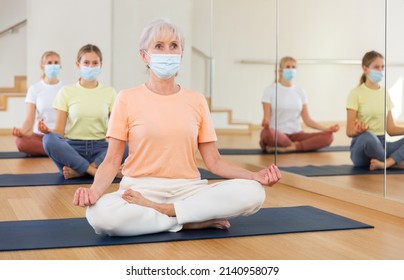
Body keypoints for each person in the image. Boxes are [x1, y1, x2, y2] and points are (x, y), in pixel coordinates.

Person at [73, 19, 281, 237]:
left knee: (254, 193)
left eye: (174, 46)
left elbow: (214, 162)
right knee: (99, 216)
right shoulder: (126, 98)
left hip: (188, 190)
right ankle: (189, 220)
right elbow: (112, 160)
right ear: (144, 55)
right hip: (140, 190)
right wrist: (94, 192)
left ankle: (167, 212)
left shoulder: (197, 100)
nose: (167, 51)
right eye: (159, 46)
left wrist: (254, 176)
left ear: (181, 53)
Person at [39, 44, 125, 179]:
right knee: (48, 139)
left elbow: (115, 130)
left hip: (100, 149)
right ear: (78, 64)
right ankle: (95, 172)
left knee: (127, 140)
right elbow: (60, 132)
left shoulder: (110, 93)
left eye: (95, 63)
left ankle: (81, 170)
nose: (90, 66)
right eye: (86, 62)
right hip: (73, 150)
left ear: (100, 65)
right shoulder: (66, 92)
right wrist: (48, 131)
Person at [259, 56, 340, 153]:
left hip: (296, 134)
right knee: (267, 133)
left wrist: (327, 129)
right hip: (278, 134)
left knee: (328, 137)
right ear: (280, 70)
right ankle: (293, 146)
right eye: (287, 67)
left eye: (293, 67)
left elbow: (307, 120)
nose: (291, 70)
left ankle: (291, 147)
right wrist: (266, 124)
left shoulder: (300, 91)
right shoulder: (269, 90)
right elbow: (266, 118)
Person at [346, 50, 404, 170]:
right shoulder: (355, 93)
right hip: (362, 146)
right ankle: (396, 162)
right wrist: (358, 130)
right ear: (365, 69)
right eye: (376, 67)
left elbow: (391, 129)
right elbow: (349, 131)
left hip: (382, 145)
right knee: (369, 137)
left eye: (382, 67)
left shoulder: (385, 93)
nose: (380, 70)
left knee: (377, 142)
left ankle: (385, 163)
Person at [12, 51, 64, 156]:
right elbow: (29, 120)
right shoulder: (34, 89)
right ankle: (59, 152)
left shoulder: (65, 89)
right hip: (40, 136)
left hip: (60, 136)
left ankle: (56, 150)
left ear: (60, 66)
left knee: (72, 143)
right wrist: (21, 131)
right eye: (49, 63)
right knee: (20, 142)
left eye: (56, 62)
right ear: (42, 66)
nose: (53, 65)